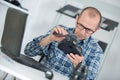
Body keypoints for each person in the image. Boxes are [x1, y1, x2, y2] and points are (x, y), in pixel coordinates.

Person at [24, 6, 103, 80]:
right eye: (81, 25)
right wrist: (49, 39)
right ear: (76, 19)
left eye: (88, 30)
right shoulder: (59, 31)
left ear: (96, 30)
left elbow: (91, 78)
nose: (82, 32)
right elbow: (28, 51)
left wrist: (79, 67)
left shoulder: (96, 51)